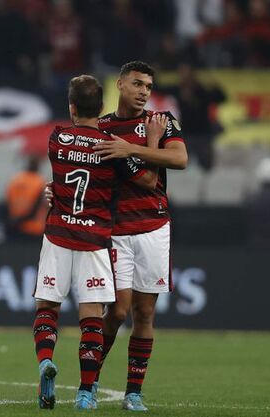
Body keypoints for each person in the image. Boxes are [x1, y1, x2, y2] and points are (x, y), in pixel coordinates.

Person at [33, 74, 166, 410]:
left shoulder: (57, 137)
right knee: (92, 314)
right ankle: (85, 393)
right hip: (96, 238)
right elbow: (149, 180)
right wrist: (149, 144)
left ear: (72, 106)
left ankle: (45, 361)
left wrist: (54, 190)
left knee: (48, 305)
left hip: (59, 233)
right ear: (101, 105)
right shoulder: (112, 148)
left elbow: (61, 179)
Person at [89, 61, 188, 411]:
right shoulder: (101, 127)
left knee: (145, 314)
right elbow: (80, 169)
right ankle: (90, 381)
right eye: (137, 84)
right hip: (115, 230)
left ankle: (133, 393)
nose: (145, 90)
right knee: (117, 310)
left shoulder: (162, 121)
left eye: (148, 85)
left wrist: (133, 148)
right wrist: (56, 191)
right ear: (120, 84)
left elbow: (179, 159)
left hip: (154, 227)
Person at [5, 155, 48, 241]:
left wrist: (14, 222)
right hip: (35, 229)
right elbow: (36, 209)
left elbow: (7, 204)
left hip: (15, 229)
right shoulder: (40, 182)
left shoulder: (15, 181)